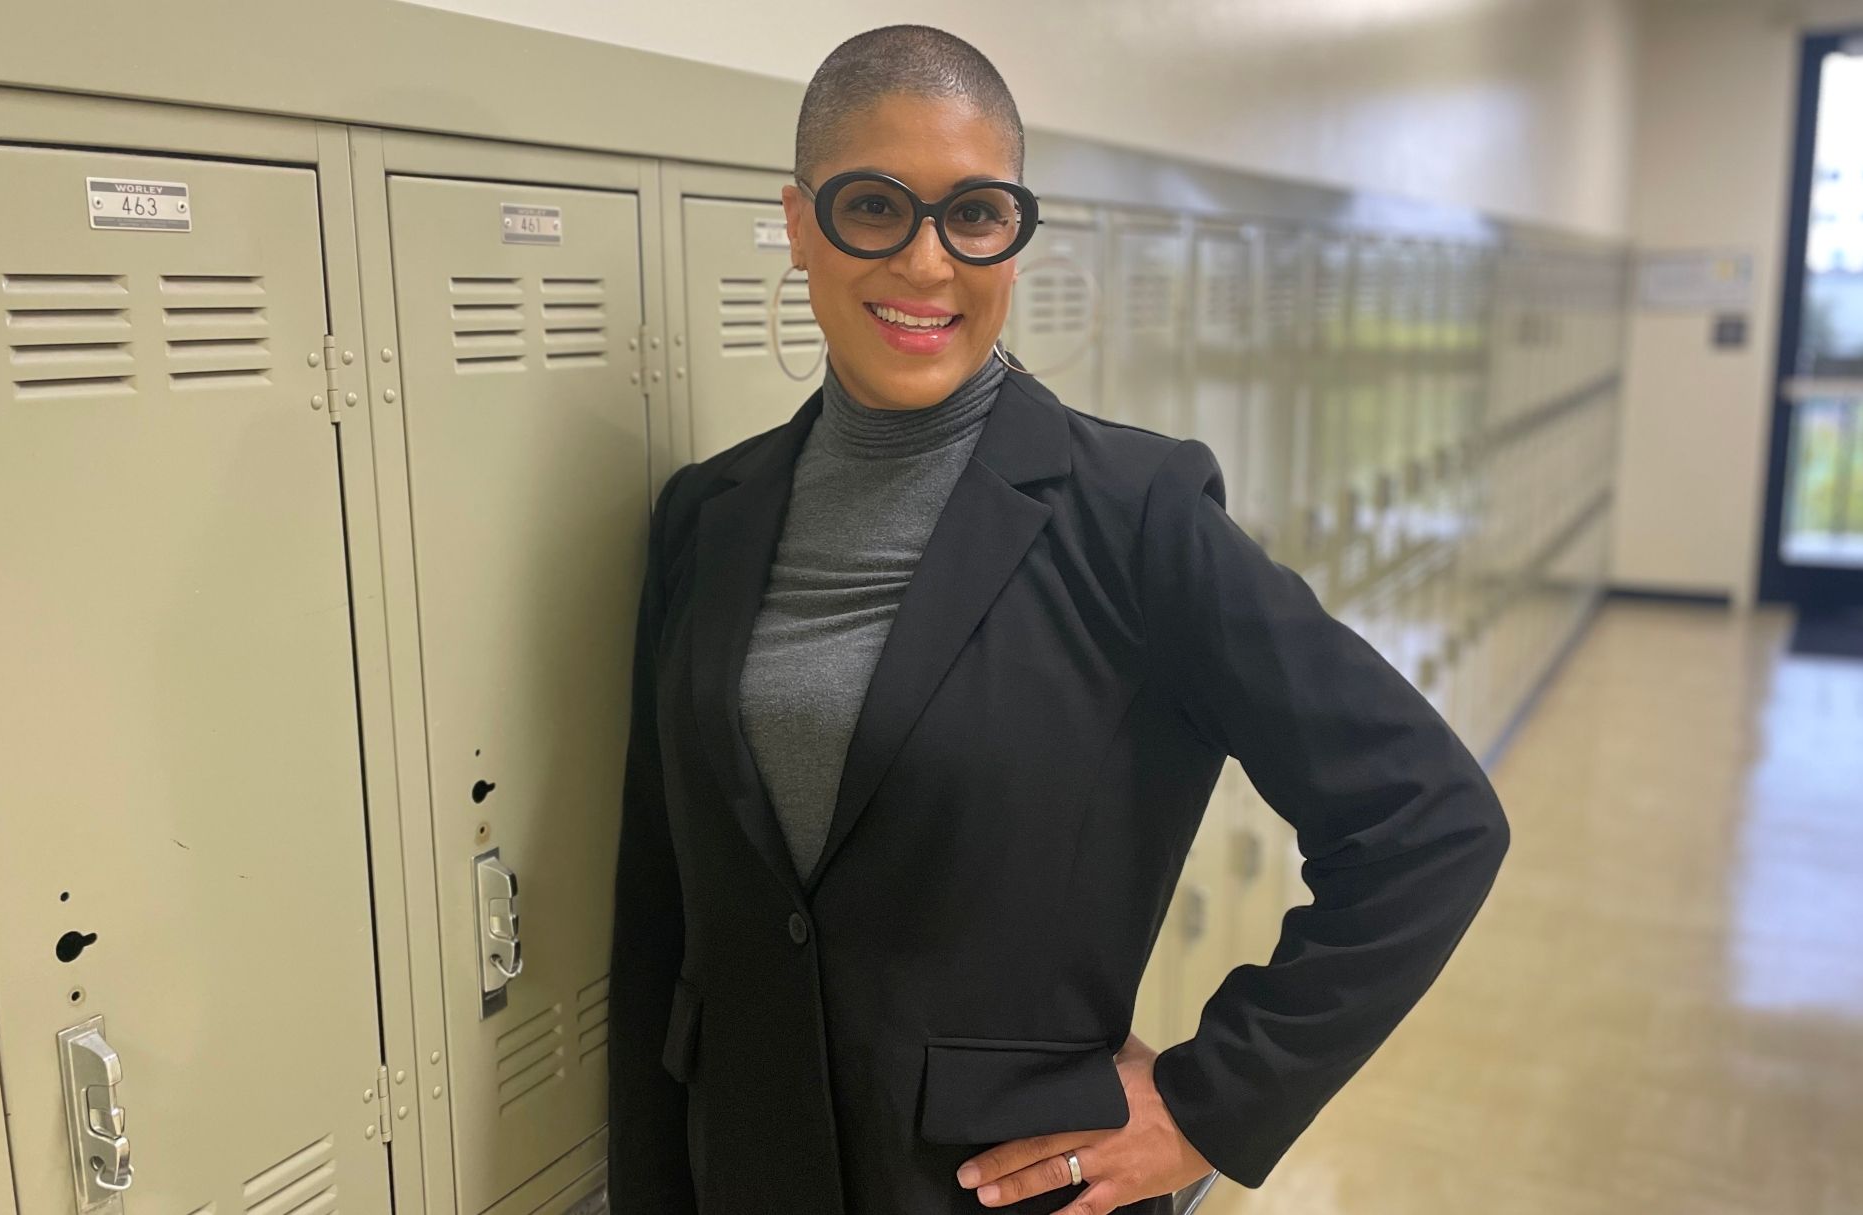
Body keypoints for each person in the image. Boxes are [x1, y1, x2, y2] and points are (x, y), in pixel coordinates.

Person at [608, 24, 1509, 1215]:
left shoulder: (1133, 519)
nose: (927, 264)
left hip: (1002, 1189)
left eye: (974, 215)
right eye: (874, 207)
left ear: (1014, 235)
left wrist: (1208, 1105)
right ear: (797, 221)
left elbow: (1429, 821)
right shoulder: (704, 518)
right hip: (752, 1172)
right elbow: (664, 901)